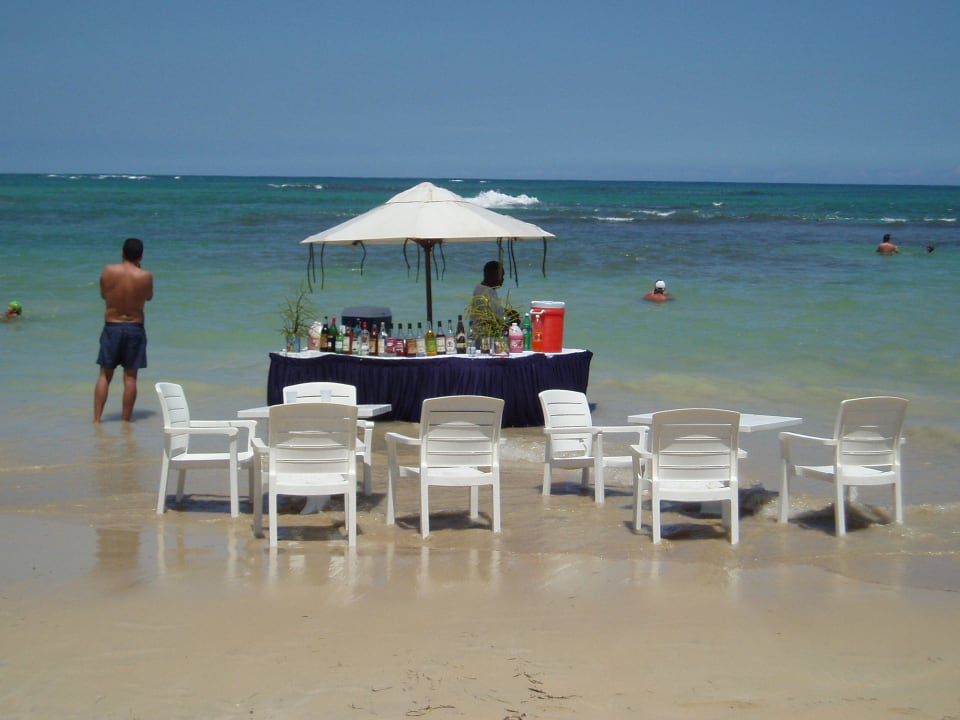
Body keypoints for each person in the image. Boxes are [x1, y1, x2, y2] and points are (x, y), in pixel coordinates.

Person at [94, 238, 154, 423]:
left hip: (112, 326)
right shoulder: (145, 275)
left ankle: (97, 420)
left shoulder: (108, 271)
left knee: (105, 375)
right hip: (134, 327)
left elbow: (104, 294)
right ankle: (125, 422)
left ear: (122, 252)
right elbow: (148, 297)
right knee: (130, 378)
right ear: (141, 256)